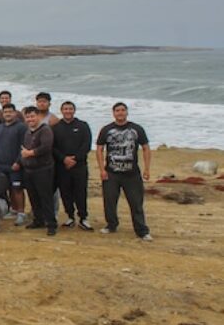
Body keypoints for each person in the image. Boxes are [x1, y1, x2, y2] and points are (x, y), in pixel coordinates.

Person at [96, 102, 153, 241]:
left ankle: (142, 230)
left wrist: (147, 168)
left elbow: (145, 147)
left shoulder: (136, 129)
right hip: (112, 173)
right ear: (113, 113)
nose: (120, 113)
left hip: (132, 173)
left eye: (122, 110)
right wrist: (102, 169)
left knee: (136, 203)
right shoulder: (106, 129)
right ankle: (111, 225)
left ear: (126, 112)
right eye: (117, 110)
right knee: (109, 201)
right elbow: (99, 149)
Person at [53, 101, 93, 230]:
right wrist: (64, 159)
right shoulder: (56, 127)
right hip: (62, 166)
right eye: (65, 109)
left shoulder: (82, 126)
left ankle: (83, 218)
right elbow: (53, 147)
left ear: (74, 110)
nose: (68, 111)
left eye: (70, 109)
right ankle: (70, 216)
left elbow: (87, 144)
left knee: (81, 192)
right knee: (65, 193)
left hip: (79, 165)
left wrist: (75, 158)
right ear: (61, 110)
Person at [20, 106, 57, 236]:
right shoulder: (27, 131)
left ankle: (51, 224)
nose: (30, 119)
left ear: (38, 117)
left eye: (32, 116)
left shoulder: (45, 129)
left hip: (43, 169)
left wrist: (31, 153)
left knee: (45, 197)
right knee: (33, 197)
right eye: (28, 117)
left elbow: (46, 147)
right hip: (29, 169)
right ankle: (38, 220)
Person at [0, 103, 28, 226]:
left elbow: (24, 146)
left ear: (15, 113)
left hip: (15, 165)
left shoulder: (21, 127)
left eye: (10, 112)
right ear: (2, 114)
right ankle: (13, 209)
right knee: (7, 189)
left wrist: (18, 162)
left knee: (17, 189)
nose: (8, 114)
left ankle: (21, 213)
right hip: (1, 165)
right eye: (5, 112)